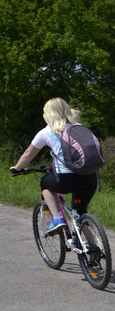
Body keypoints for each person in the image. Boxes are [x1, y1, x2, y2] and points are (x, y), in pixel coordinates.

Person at [11, 97, 99, 234]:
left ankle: (57, 219)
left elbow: (28, 154)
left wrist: (16, 168)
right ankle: (93, 248)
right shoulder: (79, 127)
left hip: (65, 180)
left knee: (45, 184)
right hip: (90, 178)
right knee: (80, 214)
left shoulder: (46, 132)